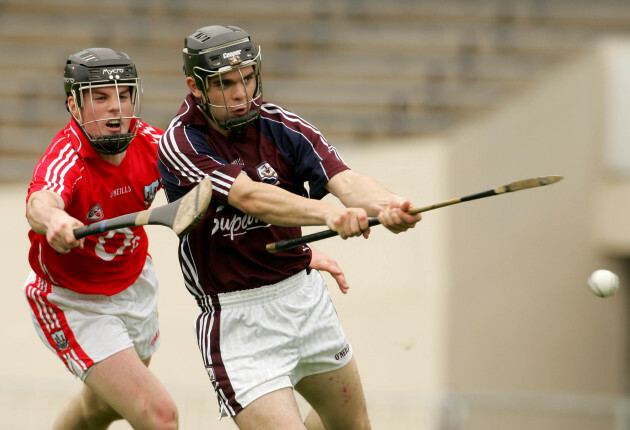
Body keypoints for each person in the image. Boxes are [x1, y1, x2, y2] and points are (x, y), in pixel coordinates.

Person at [158, 25, 422, 430]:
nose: (241, 93)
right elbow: (249, 196)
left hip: (303, 299)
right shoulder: (182, 142)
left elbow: (345, 181)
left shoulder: (282, 126)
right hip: (237, 319)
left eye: (247, 78)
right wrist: (328, 215)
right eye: (226, 84)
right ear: (196, 87)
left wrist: (389, 206)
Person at [23, 47, 178, 430]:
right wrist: (55, 220)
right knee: (159, 415)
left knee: (101, 409)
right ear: (75, 107)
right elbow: (40, 201)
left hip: (134, 284)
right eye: (101, 97)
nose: (116, 108)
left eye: (123, 94)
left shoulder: (152, 143)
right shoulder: (67, 158)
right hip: (73, 301)